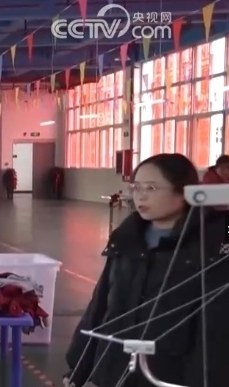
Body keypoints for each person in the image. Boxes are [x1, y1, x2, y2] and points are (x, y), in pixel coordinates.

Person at [63, 153, 229, 387]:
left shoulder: (211, 245)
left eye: (151, 188)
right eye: (136, 187)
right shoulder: (126, 239)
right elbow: (100, 307)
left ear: (183, 192)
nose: (140, 195)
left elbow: (214, 330)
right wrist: (78, 369)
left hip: (168, 375)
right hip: (113, 370)